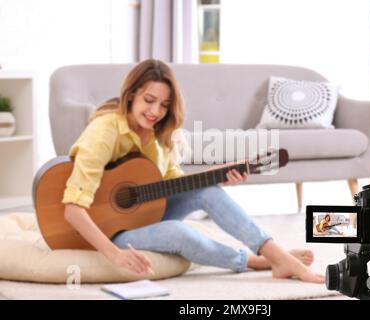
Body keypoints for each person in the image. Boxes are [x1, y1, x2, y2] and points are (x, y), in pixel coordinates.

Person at [62, 59, 324, 283]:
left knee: (206, 190)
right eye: (149, 100)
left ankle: (277, 257)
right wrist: (114, 254)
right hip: (104, 231)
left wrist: (221, 174)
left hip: (144, 213)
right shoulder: (104, 131)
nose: (155, 112)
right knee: (178, 232)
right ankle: (254, 262)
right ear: (131, 94)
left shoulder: (159, 134)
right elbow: (72, 209)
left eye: (164, 105)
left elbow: (174, 184)